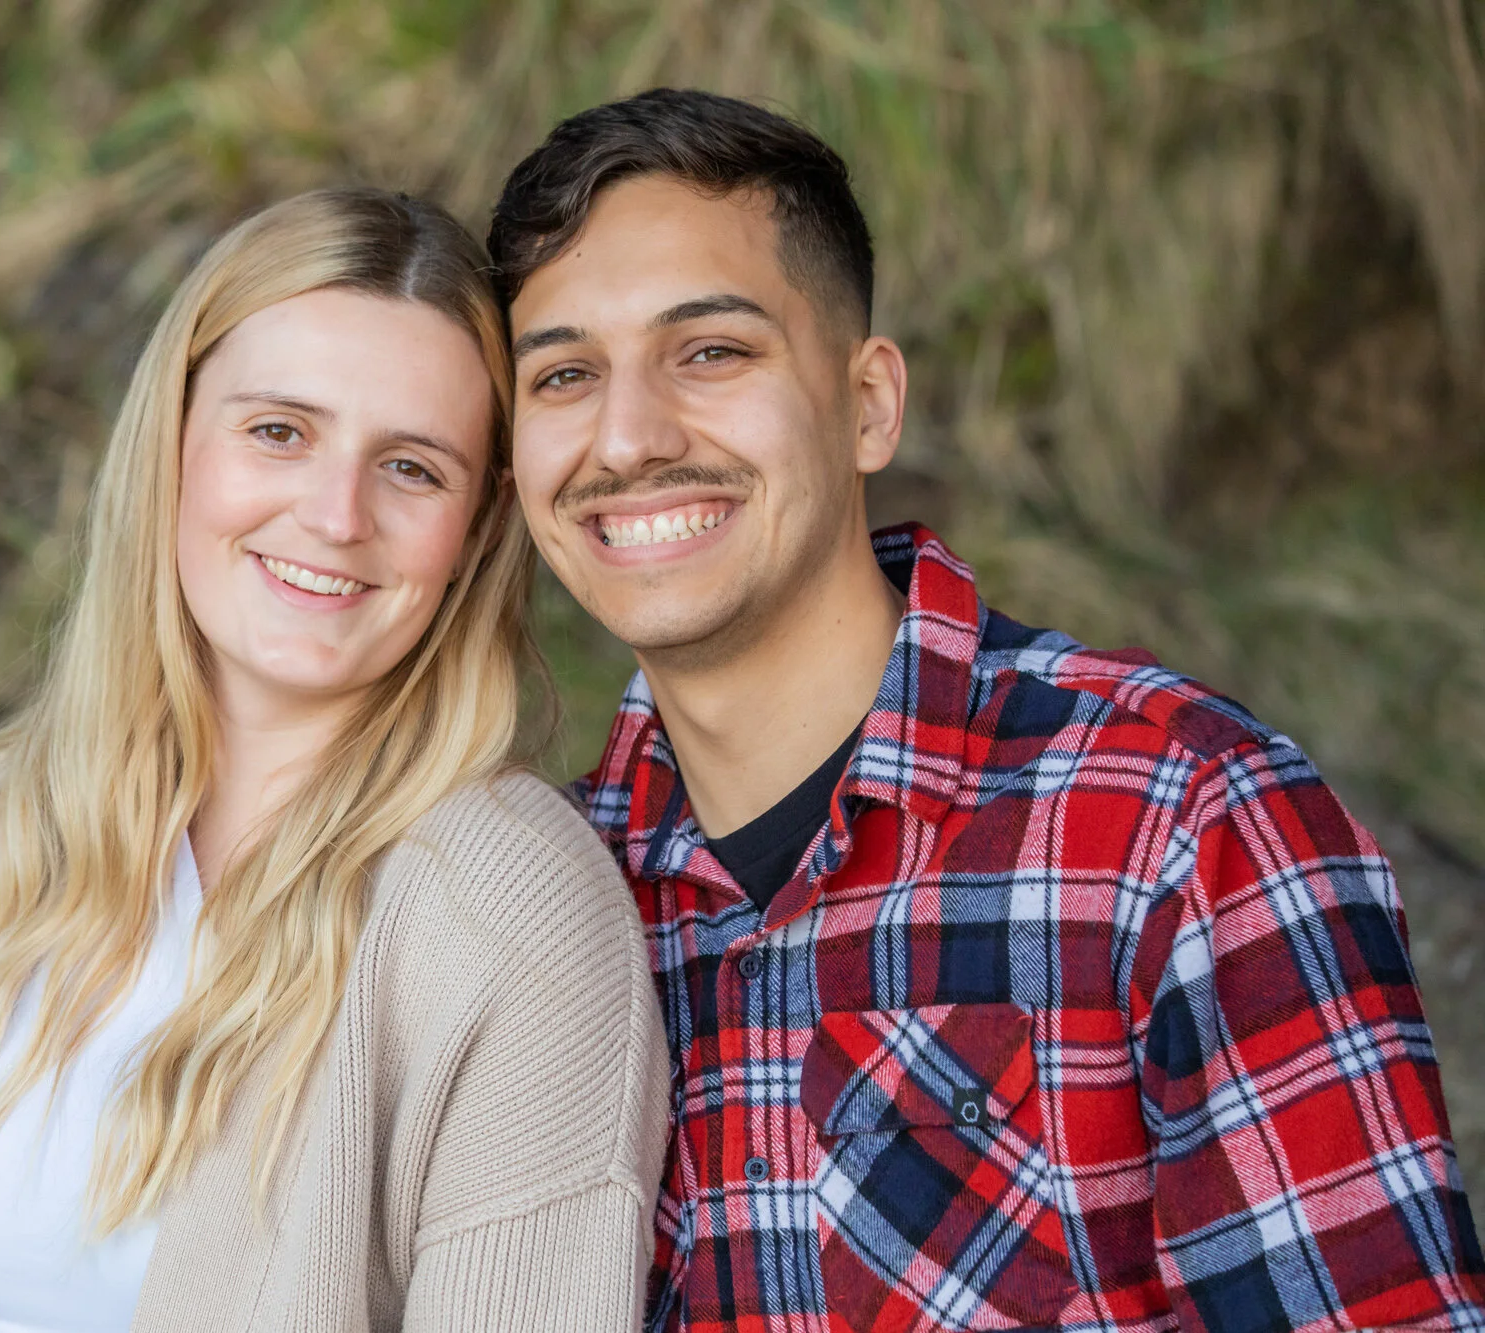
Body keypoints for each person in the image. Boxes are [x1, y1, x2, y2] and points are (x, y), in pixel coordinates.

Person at [488, 88, 1485, 1333]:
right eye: (565, 374)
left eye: (710, 352)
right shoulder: (547, 896)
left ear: (866, 405)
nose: (627, 438)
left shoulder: (1174, 816)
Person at [0, 187, 666, 1333]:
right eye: (277, 430)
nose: (335, 515)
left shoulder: (507, 920)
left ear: (477, 529)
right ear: (170, 446)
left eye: (411, 468)